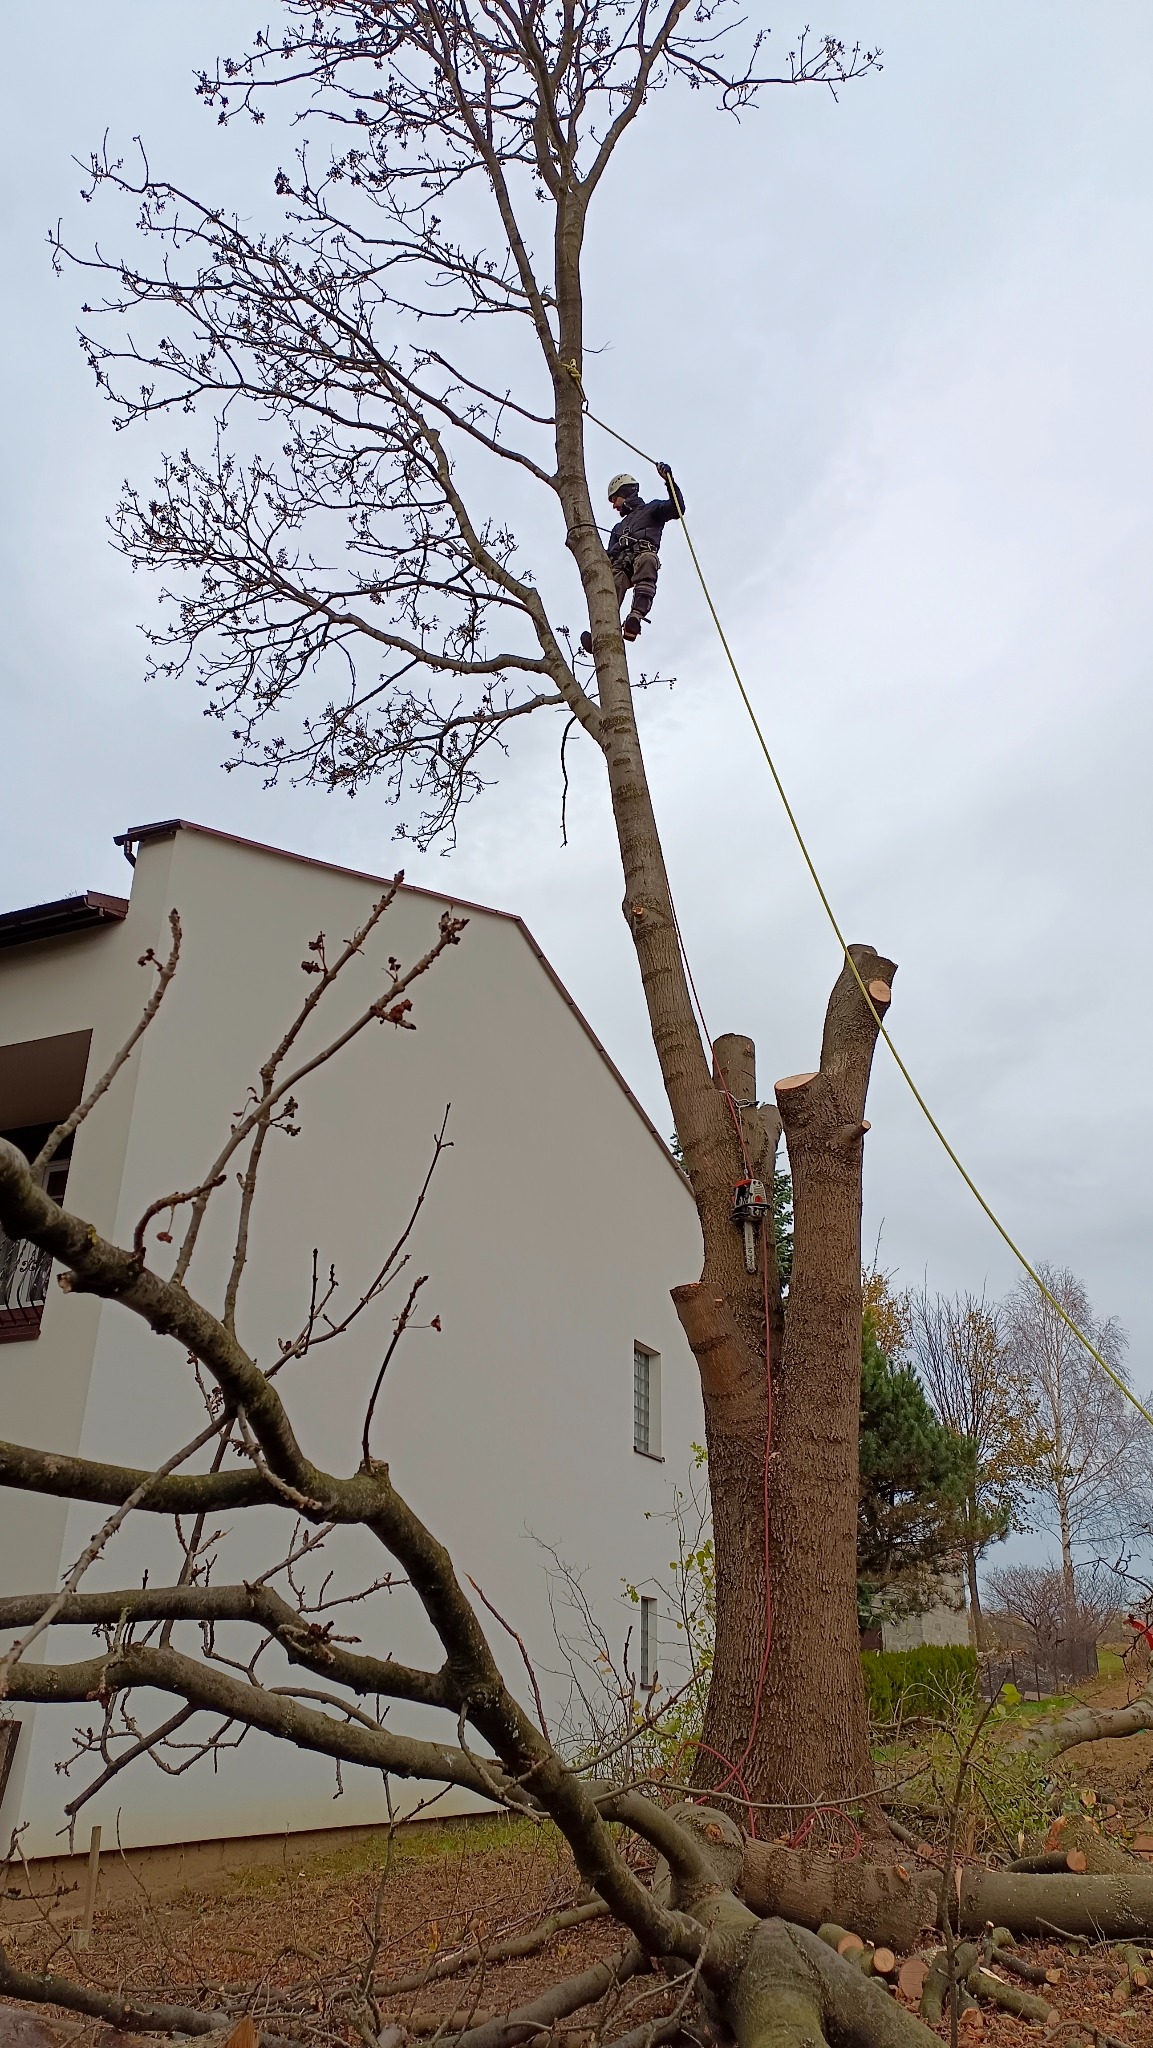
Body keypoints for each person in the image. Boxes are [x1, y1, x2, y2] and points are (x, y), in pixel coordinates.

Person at [579, 462, 684, 653]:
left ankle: (635, 617)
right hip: (621, 563)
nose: (614, 506)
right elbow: (609, 554)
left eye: (615, 499)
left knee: (647, 561)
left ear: (626, 492)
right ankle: (600, 633)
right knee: (612, 583)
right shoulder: (617, 528)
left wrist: (669, 481)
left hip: (642, 555)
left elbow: (677, 508)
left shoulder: (652, 510)